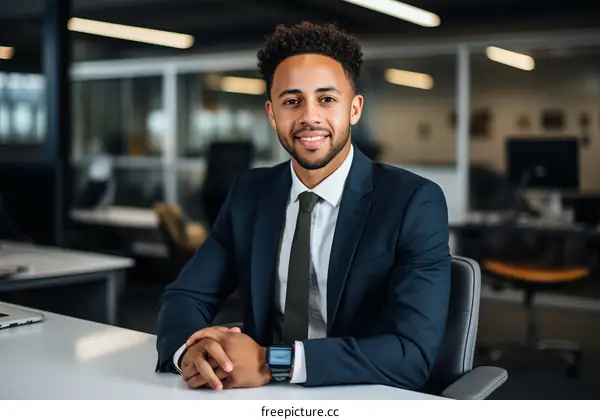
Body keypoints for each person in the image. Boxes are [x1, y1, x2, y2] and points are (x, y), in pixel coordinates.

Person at [156, 21, 451, 392]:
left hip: (362, 396)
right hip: (256, 398)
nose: (309, 116)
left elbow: (412, 354)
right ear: (272, 113)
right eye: (292, 101)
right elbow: (186, 295)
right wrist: (192, 351)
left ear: (354, 109)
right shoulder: (251, 193)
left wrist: (272, 362)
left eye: (327, 99)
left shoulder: (412, 202)